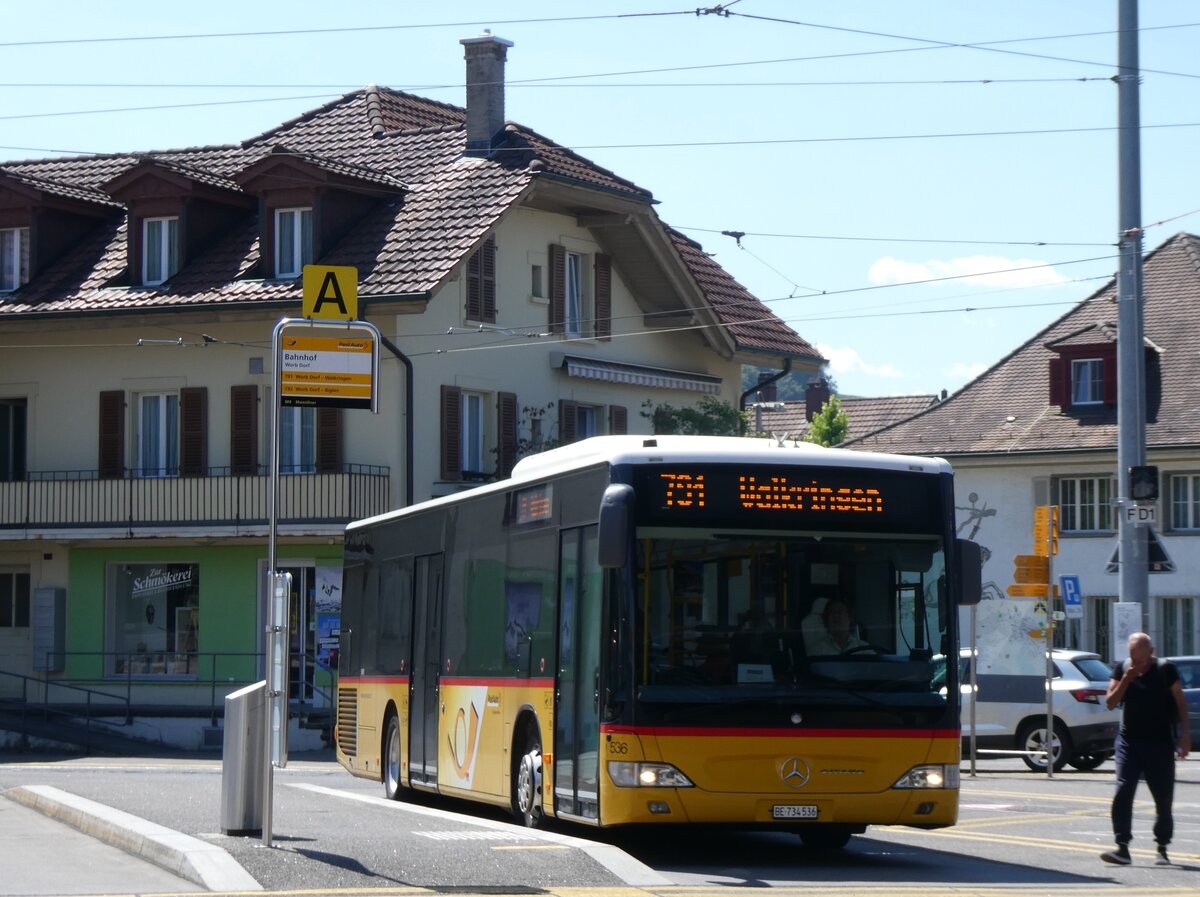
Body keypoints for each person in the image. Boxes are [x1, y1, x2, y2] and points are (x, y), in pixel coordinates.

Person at [1100, 631, 1191, 866]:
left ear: (1151, 652)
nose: (1137, 664)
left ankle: (1162, 847)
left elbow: (1180, 701)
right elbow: (1110, 702)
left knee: (1163, 797)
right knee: (1123, 789)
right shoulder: (1123, 669)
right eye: (1133, 658)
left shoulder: (1165, 669)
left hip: (1159, 742)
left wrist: (1185, 735)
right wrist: (1127, 679)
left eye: (1141, 659)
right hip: (1129, 741)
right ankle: (1122, 847)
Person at [804, 597, 870, 656]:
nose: (835, 616)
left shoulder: (864, 649)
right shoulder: (817, 650)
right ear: (826, 620)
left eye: (840, 611)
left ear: (850, 617)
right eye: (831, 612)